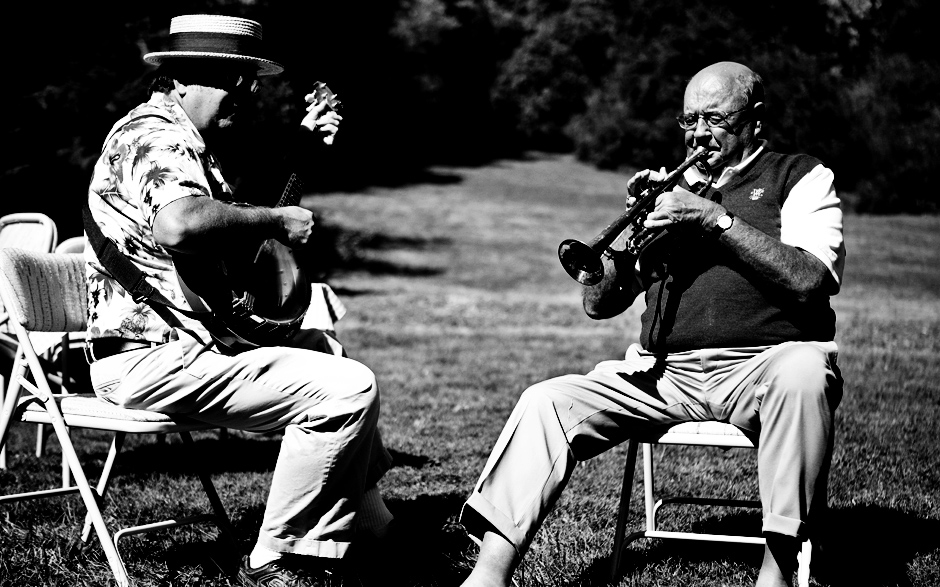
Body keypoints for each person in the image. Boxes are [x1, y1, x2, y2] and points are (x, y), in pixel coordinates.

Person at [457, 61, 845, 587]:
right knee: (546, 401)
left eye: (714, 119)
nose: (699, 135)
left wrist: (714, 221)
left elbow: (811, 279)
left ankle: (777, 575)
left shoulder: (800, 176)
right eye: (689, 122)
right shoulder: (672, 197)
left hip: (762, 369)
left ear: (756, 119)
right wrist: (630, 233)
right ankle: (488, 576)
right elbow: (601, 304)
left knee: (805, 371)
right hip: (664, 376)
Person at [83, 14, 394, 587]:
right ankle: (282, 558)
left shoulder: (186, 141)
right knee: (345, 388)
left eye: (251, 79)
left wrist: (301, 149)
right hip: (151, 357)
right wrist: (276, 217)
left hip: (193, 349)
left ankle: (373, 526)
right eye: (234, 78)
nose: (248, 91)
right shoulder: (153, 137)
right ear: (182, 78)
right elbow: (180, 226)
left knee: (331, 353)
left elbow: (224, 231)